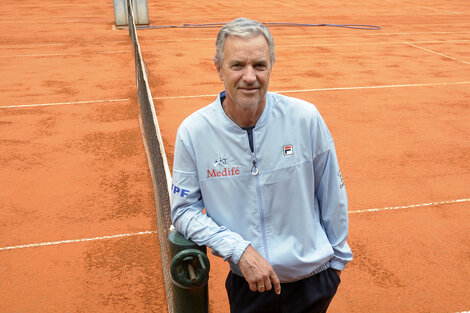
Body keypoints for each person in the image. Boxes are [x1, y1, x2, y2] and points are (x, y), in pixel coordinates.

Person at [170, 17, 353, 313]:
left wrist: (336, 264)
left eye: (259, 65)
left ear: (271, 66)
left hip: (315, 282)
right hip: (250, 285)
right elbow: (184, 210)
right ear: (218, 69)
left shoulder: (305, 118)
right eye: (237, 65)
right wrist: (238, 249)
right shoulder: (194, 132)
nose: (250, 76)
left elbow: (332, 192)